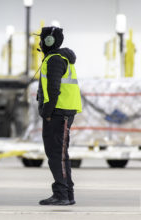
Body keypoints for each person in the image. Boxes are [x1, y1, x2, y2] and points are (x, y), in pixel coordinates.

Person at [36, 26, 82, 206]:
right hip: (60, 113)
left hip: (58, 113)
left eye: (42, 39)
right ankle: (66, 193)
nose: (40, 42)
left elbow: (53, 89)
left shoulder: (55, 60)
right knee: (59, 154)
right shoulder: (58, 58)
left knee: (57, 155)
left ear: (49, 41)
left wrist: (47, 113)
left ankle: (62, 194)